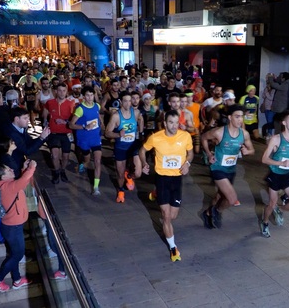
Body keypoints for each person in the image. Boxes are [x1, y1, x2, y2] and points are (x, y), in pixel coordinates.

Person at [139, 110, 194, 262]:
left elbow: (190, 153)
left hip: (177, 180)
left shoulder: (185, 136)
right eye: (171, 122)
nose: (174, 126)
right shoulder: (156, 138)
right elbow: (142, 150)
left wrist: (187, 163)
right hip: (162, 178)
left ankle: (155, 193)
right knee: (166, 216)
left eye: (176, 123)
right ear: (165, 123)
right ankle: (173, 248)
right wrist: (144, 163)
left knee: (174, 215)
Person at [200, 105, 255, 229]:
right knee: (231, 199)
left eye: (242, 116)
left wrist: (247, 151)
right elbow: (203, 138)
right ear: (230, 117)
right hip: (218, 168)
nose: (240, 119)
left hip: (231, 170)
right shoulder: (219, 132)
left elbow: (252, 150)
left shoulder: (244, 134)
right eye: (237, 116)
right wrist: (209, 154)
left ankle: (208, 212)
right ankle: (217, 212)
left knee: (220, 196)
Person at [0, 160, 37, 292]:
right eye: (8, 170)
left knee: (14, 254)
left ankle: (17, 280)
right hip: (13, 228)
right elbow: (23, 180)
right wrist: (31, 167)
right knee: (17, 255)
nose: (11, 170)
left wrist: (24, 169)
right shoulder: (8, 187)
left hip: (12, 227)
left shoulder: (7, 185)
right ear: (3, 176)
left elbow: (22, 182)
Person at [260, 111, 289, 238]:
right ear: (284, 123)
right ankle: (265, 222)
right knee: (271, 203)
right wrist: (281, 162)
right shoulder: (276, 139)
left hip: (288, 175)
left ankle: (279, 208)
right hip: (275, 175)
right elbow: (264, 159)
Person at [105, 91, 143, 203]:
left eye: (129, 101)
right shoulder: (116, 116)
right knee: (120, 174)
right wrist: (117, 134)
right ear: (120, 102)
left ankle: (130, 176)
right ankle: (121, 191)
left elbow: (141, 120)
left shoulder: (135, 112)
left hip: (132, 147)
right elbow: (107, 133)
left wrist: (141, 133)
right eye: (125, 101)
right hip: (120, 148)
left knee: (138, 173)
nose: (128, 103)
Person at [69, 87, 104, 196]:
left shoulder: (97, 106)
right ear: (84, 96)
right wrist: (85, 126)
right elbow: (71, 125)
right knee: (87, 160)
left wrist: (102, 123)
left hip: (96, 139)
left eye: (92, 95)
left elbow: (97, 115)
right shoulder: (80, 109)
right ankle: (83, 164)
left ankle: (96, 187)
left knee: (98, 161)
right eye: (87, 95)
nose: (90, 98)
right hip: (84, 140)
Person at [42, 83, 75, 184]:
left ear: (66, 92)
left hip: (66, 133)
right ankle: (56, 173)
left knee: (65, 156)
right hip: (54, 133)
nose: (62, 93)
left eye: (64, 91)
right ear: (56, 91)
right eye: (59, 90)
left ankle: (62, 170)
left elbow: (74, 120)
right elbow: (45, 110)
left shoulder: (71, 104)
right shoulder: (50, 102)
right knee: (55, 155)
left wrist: (65, 122)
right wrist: (45, 120)